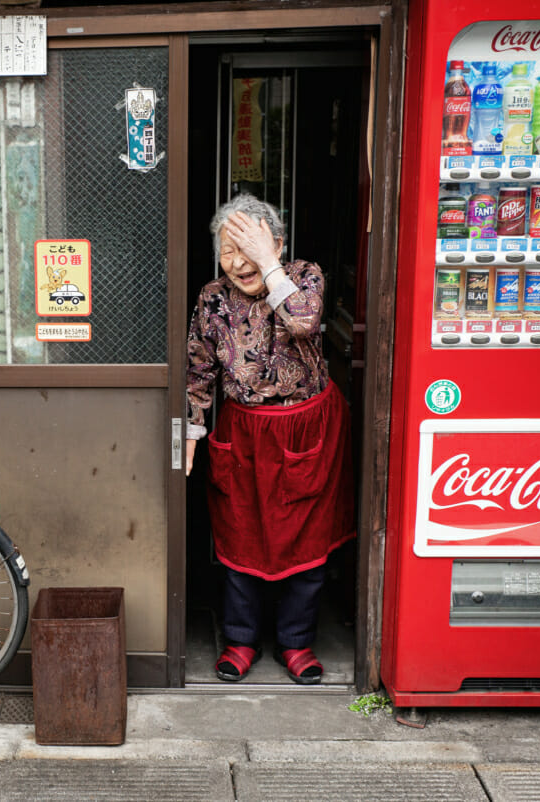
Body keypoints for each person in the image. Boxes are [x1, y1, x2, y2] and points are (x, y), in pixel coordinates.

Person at [185, 193, 355, 684]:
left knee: (307, 540)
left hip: (308, 429)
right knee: (240, 535)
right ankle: (239, 640)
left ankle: (297, 644)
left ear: (277, 243)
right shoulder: (212, 298)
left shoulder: (304, 276)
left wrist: (269, 263)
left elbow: (303, 321)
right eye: (228, 249)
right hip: (244, 430)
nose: (238, 262)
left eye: (249, 247)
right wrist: (193, 432)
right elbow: (199, 369)